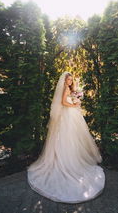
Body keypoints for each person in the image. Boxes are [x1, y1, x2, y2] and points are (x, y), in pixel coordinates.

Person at [27, 71, 105, 204]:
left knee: (74, 138)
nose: (70, 81)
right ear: (64, 81)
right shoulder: (64, 88)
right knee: (66, 137)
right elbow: (63, 102)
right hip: (67, 115)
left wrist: (76, 99)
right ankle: (65, 161)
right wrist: (74, 104)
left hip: (72, 115)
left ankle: (74, 157)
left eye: (71, 80)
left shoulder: (70, 88)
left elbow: (69, 99)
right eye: (68, 80)